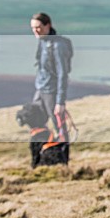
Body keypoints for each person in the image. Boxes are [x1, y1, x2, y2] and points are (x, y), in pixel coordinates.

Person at [30, 12, 70, 143]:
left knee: (59, 127)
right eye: (33, 28)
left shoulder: (58, 46)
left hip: (51, 92)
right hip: (40, 89)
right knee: (35, 122)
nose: (35, 31)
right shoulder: (42, 41)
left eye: (38, 27)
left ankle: (63, 158)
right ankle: (44, 152)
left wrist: (60, 102)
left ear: (48, 25)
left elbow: (62, 74)